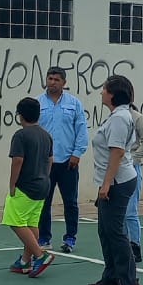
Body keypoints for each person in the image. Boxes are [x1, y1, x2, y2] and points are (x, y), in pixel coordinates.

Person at [86, 74, 141, 285]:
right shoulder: (115, 116)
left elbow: (117, 152)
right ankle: (112, 276)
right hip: (111, 180)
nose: (101, 92)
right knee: (105, 230)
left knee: (115, 231)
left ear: (113, 94)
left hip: (118, 181)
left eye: (104, 89)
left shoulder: (119, 118)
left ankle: (130, 281)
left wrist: (107, 184)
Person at [37, 67, 88, 253]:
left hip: (68, 161)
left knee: (70, 202)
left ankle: (70, 238)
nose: (52, 82)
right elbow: (33, 129)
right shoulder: (38, 102)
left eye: (56, 79)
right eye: (50, 78)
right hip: (45, 162)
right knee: (43, 202)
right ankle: (44, 238)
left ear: (64, 83)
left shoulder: (74, 104)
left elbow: (81, 129)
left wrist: (77, 153)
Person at [4, 97, 56, 277]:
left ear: (20, 115)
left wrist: (12, 184)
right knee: (31, 222)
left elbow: (17, 160)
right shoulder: (46, 135)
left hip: (26, 186)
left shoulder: (21, 135)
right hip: (43, 184)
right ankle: (25, 261)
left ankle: (40, 255)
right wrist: (45, 176)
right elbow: (50, 160)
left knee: (14, 221)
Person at [124, 96, 143, 265]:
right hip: (116, 168)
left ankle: (134, 245)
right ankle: (122, 246)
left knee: (130, 210)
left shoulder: (136, 117)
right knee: (119, 213)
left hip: (131, 168)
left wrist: (133, 159)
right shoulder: (113, 118)